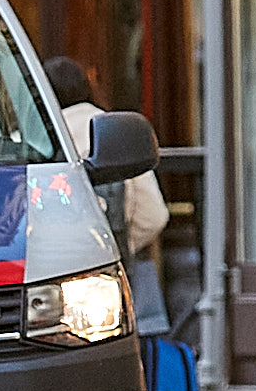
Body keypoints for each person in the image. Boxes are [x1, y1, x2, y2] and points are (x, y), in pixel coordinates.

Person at [45, 56, 172, 334]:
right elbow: (154, 215)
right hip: (109, 291)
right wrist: (117, 246)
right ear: (89, 85)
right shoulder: (116, 132)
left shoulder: (30, 141)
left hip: (44, 294)